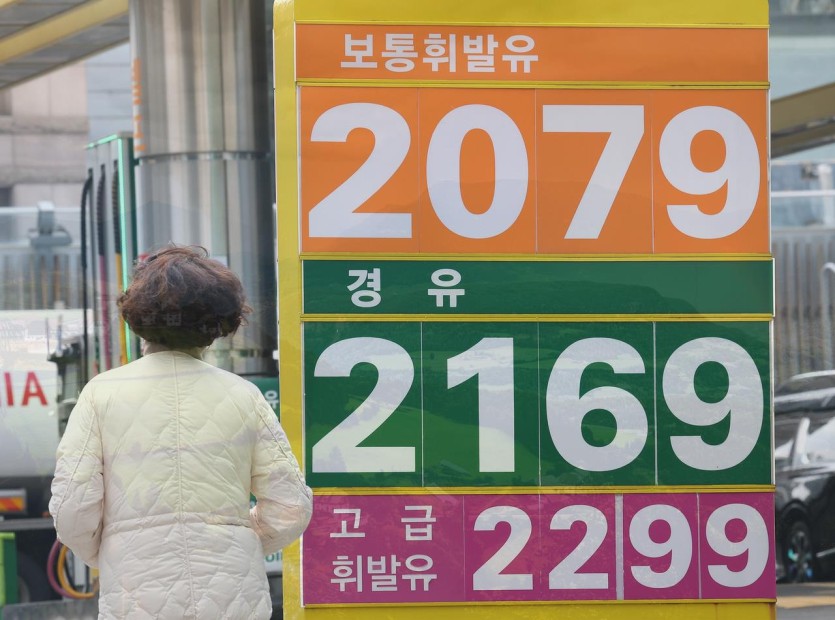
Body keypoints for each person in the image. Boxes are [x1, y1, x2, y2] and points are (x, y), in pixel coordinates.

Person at [49, 245, 312, 619]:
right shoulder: (244, 395)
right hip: (234, 599)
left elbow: (73, 509)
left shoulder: (100, 394)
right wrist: (239, 538)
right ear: (218, 325)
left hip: (135, 598)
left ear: (137, 318)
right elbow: (290, 507)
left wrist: (112, 549)